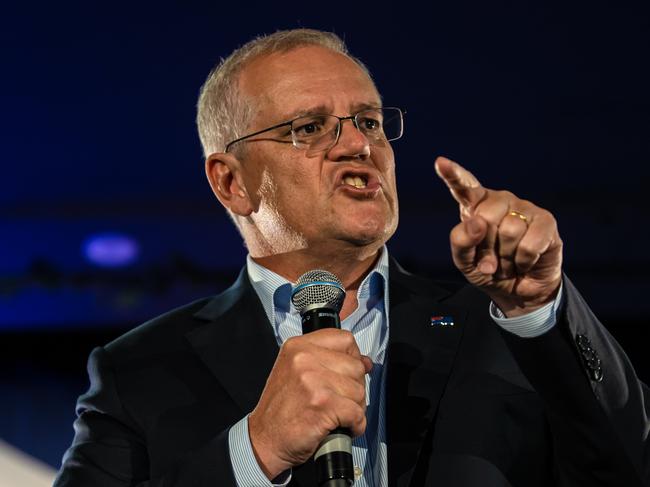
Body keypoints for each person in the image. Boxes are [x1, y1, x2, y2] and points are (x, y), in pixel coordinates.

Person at [54, 29, 649, 487]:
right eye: (310, 127)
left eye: (368, 121)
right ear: (231, 182)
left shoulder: (497, 329)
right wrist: (254, 451)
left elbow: (627, 465)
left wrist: (538, 308)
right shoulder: (139, 370)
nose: (358, 144)